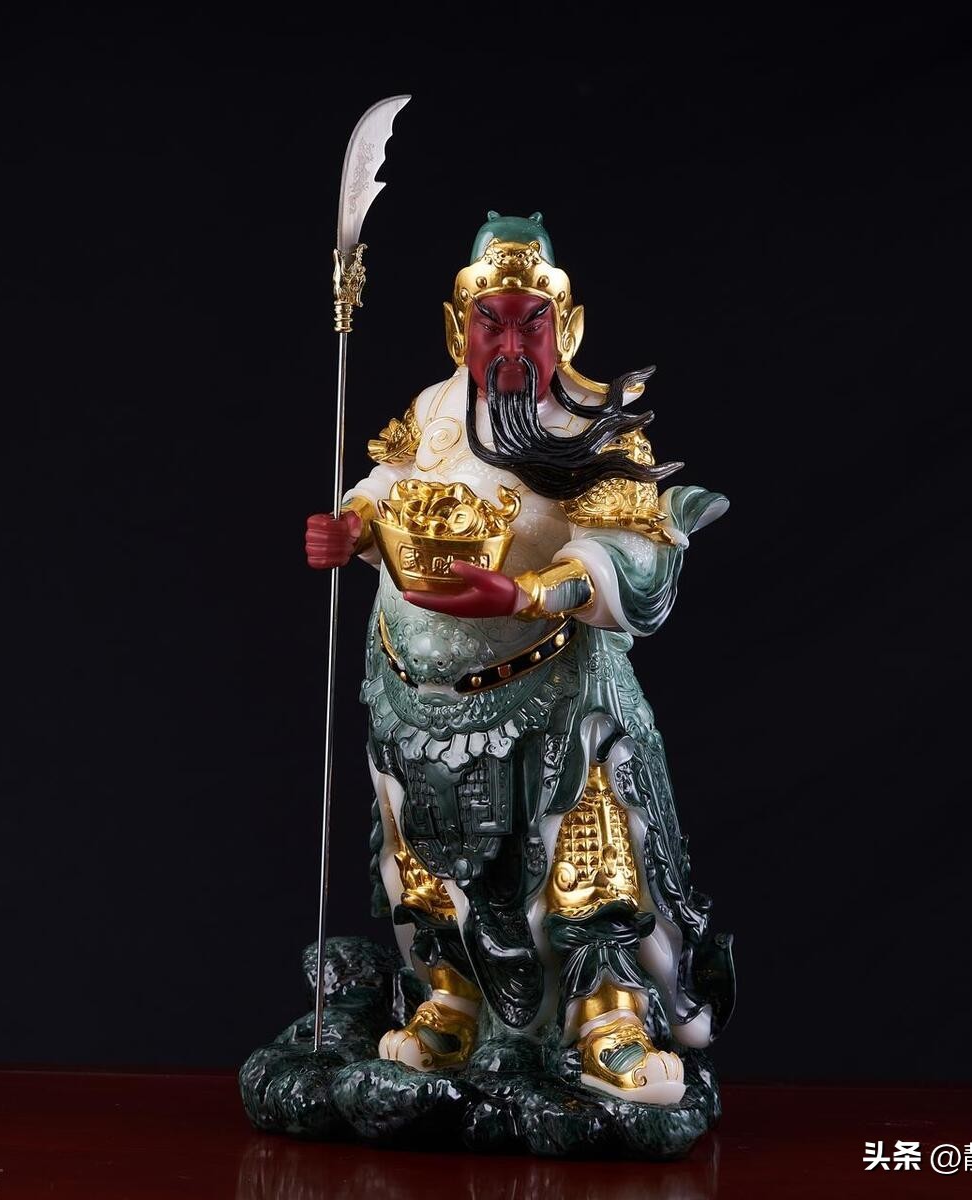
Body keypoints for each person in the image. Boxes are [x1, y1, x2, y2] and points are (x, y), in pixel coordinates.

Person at [305, 213, 734, 1105]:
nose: (508, 346)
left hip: (550, 693)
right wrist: (353, 526)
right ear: (456, 328)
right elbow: (387, 490)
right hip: (413, 689)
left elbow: (633, 550)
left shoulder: (597, 428)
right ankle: (450, 1000)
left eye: (529, 324)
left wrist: (528, 593)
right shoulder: (432, 412)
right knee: (421, 856)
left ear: (564, 328)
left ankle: (608, 1016)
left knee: (584, 856)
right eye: (488, 323)